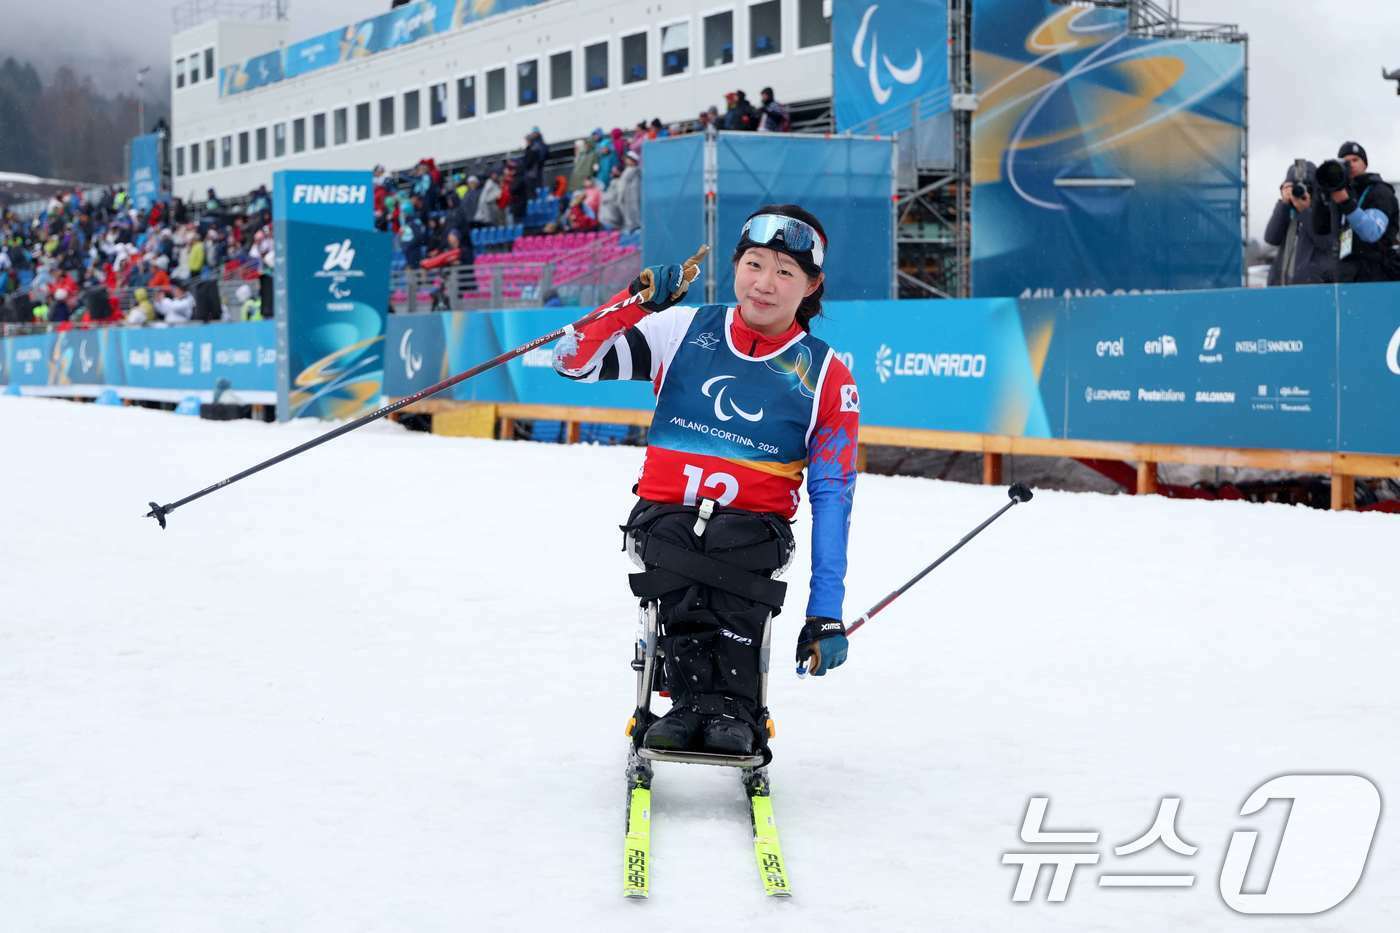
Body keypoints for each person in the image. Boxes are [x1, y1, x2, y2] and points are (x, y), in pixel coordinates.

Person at [552, 205, 858, 758]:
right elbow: (572, 361)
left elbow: (832, 495)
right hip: (665, 519)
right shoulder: (682, 328)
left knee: (730, 543)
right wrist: (631, 305)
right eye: (755, 263)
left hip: (753, 532)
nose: (765, 284)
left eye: (786, 272)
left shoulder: (827, 375)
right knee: (680, 541)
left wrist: (826, 611)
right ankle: (695, 701)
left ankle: (731, 707)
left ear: (812, 286)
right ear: (736, 265)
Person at [1312, 141, 1400, 283]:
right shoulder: (1341, 192)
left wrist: (1346, 203)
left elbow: (1372, 233)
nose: (1351, 165)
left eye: (1355, 160)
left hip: (1378, 274)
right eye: (1346, 162)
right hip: (1347, 273)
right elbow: (1320, 228)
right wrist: (1320, 194)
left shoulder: (1379, 192)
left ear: (1365, 164)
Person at [1264, 161, 1334, 286]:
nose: (1301, 191)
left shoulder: (1325, 209)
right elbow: (1271, 238)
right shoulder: (1286, 210)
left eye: (1307, 186)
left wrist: (1306, 211)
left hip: (1312, 289)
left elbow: (1326, 242)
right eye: (1295, 187)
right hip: (1282, 286)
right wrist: (1284, 204)